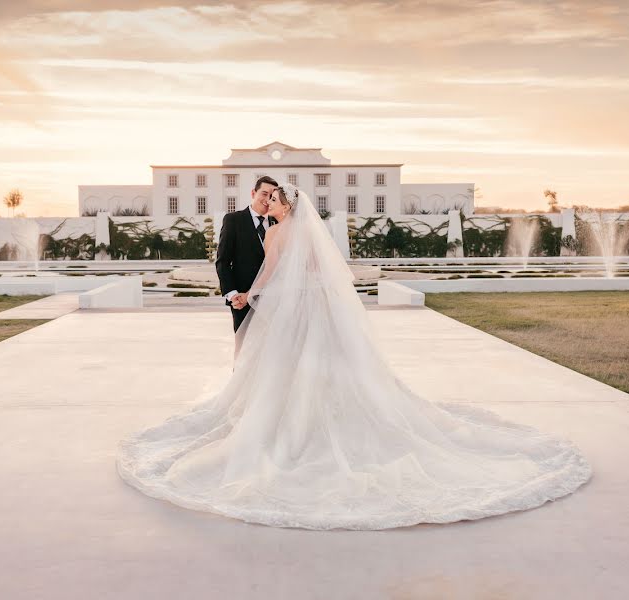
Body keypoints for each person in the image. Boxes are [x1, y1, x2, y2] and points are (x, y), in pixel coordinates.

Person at [117, 184, 592, 530]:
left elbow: (270, 274)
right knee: (316, 373)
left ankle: (292, 428)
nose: (270, 204)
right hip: (311, 312)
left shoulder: (281, 234)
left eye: (276, 200)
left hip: (291, 315)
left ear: (285, 206)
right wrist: (251, 293)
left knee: (284, 374)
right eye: (268, 199)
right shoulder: (293, 232)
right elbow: (317, 274)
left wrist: (248, 296)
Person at [215, 175, 278, 333]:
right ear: (253, 193)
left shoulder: (277, 223)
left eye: (272, 196)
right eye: (264, 193)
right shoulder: (233, 220)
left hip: (273, 300)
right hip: (242, 300)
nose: (267, 199)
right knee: (243, 349)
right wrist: (232, 295)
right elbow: (222, 261)